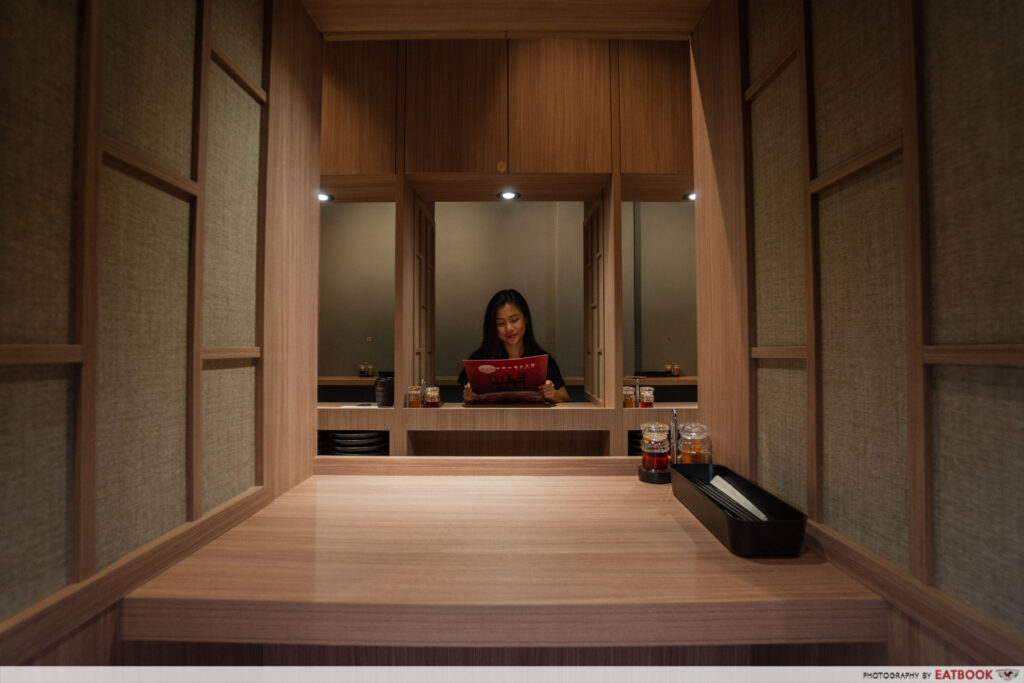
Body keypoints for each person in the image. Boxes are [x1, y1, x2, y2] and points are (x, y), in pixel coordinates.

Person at [457, 289, 571, 403]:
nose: (509, 328)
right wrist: (468, 397)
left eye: (514, 320)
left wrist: (552, 394)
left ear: (526, 319)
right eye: (501, 323)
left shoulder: (542, 359)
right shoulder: (479, 359)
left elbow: (566, 401)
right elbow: (464, 403)